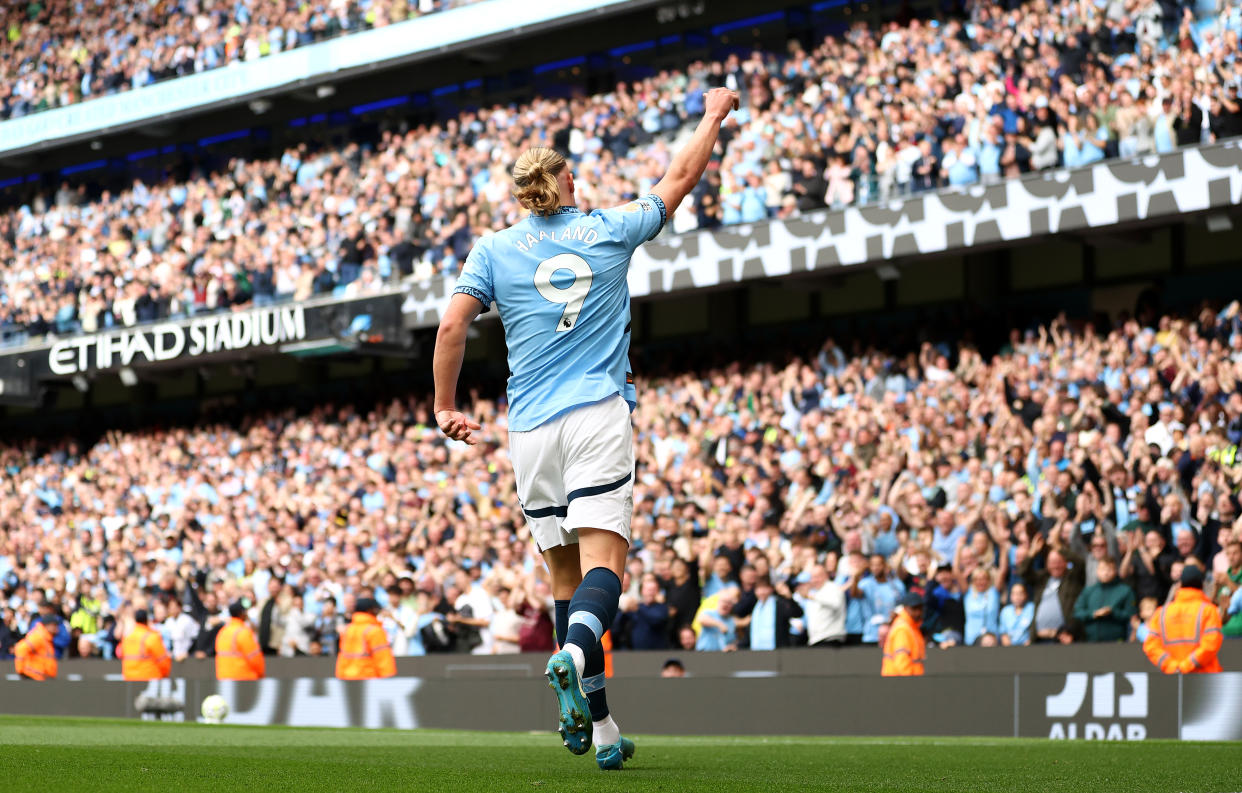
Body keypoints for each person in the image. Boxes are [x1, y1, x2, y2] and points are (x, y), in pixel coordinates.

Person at [433, 86, 739, 770]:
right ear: (566, 180)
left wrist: (443, 405)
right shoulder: (606, 227)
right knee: (606, 571)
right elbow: (680, 177)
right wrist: (714, 115)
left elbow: (452, 324)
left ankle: (602, 732)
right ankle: (571, 656)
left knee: (566, 584)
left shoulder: (491, 249)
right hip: (596, 413)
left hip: (528, 431)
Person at [1143, 566, 1223, 674]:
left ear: (1180, 585)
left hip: (1173, 679)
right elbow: (1211, 644)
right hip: (1205, 679)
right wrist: (1187, 665)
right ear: (1202, 585)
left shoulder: (1161, 613)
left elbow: (1151, 646)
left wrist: (1172, 666)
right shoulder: (1209, 611)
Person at [1073, 557, 1136, 642]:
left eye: (1109, 569)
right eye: (1102, 569)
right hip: (1091, 641)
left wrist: (1113, 612)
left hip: (1117, 641)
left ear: (1115, 571)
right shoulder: (1088, 590)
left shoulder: (1125, 590)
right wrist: (1094, 614)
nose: (1106, 573)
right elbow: (1077, 612)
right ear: (1097, 571)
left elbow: (1132, 615)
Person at [335, 598, 396, 680]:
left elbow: (342, 657)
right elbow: (383, 658)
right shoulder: (375, 631)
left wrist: (341, 676)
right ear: (370, 610)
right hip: (369, 680)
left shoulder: (347, 630)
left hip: (348, 679)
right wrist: (388, 679)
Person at [118, 609, 172, 681]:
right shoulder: (152, 637)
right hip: (149, 680)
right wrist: (164, 675)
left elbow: (119, 653)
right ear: (147, 620)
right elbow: (163, 661)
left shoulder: (127, 637)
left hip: (129, 680)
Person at [215, 603, 265, 681]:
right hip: (244, 679)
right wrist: (260, 675)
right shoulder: (243, 632)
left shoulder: (222, 631)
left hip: (224, 679)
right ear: (241, 614)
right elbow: (255, 658)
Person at [882, 592, 926, 677]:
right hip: (901, 683)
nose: (918, 613)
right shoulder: (902, 629)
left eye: (920, 609)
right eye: (914, 609)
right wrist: (910, 683)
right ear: (905, 608)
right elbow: (901, 661)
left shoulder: (912, 627)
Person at [14, 616, 58, 681]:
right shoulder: (38, 637)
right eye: (55, 625)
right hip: (32, 677)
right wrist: (20, 670)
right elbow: (21, 648)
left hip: (40, 678)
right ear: (47, 625)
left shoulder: (46, 638)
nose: (57, 629)